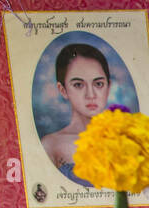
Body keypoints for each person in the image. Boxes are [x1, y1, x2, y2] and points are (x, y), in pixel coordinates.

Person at [40, 43, 111, 187]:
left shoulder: (127, 139)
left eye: (98, 84)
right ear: (63, 89)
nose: (91, 95)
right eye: (78, 85)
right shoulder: (51, 144)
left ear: (108, 86)